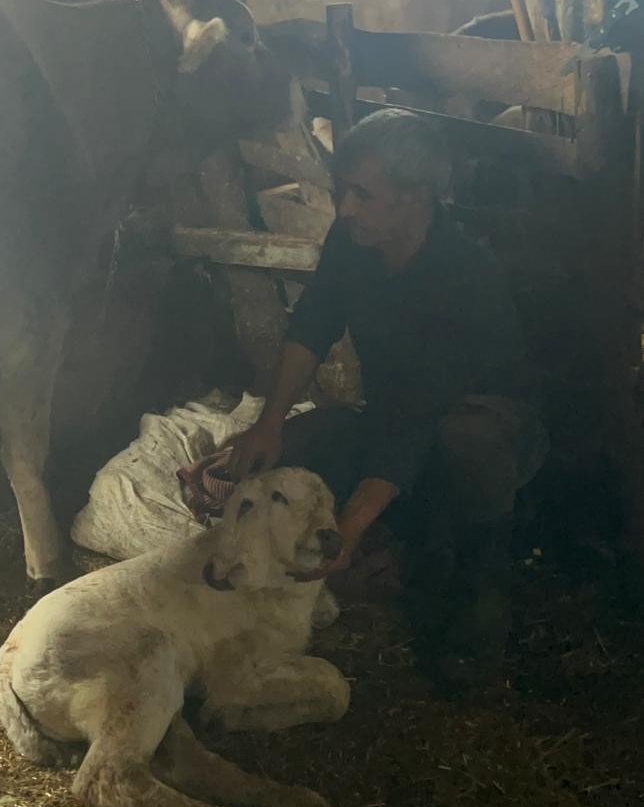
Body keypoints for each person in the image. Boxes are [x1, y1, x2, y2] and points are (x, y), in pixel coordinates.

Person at [228, 108, 548, 688]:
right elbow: (313, 323)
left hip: (483, 425)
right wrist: (268, 423)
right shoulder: (352, 241)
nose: (345, 208)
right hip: (392, 419)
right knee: (301, 443)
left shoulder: (463, 271)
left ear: (416, 197)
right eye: (341, 190)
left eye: (362, 194)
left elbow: (422, 407)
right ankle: (396, 547)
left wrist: (349, 527)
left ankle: (481, 580)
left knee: (466, 443)